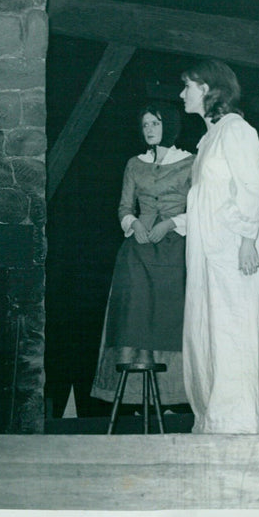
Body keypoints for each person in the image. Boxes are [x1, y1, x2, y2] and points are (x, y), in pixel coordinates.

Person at [180, 58, 259, 434]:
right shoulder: (210, 138)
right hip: (209, 253)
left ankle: (238, 421)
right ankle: (215, 418)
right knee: (208, 328)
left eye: (187, 86)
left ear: (206, 89)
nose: (182, 94)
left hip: (233, 251)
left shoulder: (238, 131)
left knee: (233, 327)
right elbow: (206, 197)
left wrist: (246, 241)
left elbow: (253, 187)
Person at [90, 102, 194, 408]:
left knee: (170, 315)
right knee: (134, 314)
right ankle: (133, 396)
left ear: (169, 126)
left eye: (156, 123)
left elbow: (200, 207)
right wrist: (133, 223)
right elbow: (124, 206)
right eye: (145, 124)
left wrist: (171, 223)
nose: (149, 129)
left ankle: (176, 396)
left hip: (176, 248)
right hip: (139, 250)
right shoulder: (134, 164)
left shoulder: (191, 162)